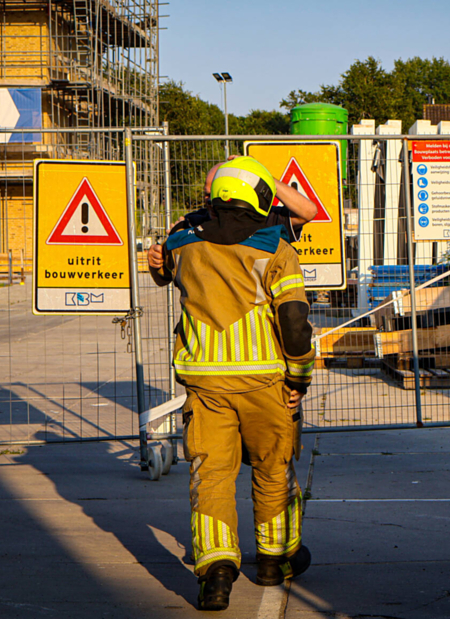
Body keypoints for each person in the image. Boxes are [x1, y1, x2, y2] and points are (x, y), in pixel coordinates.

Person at [149, 156, 315, 611]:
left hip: (205, 383)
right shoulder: (275, 246)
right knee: (272, 468)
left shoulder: (182, 239)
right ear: (258, 194)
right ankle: (274, 562)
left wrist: (155, 263)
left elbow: (164, 272)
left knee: (213, 475)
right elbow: (295, 323)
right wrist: (299, 375)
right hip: (265, 382)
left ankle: (217, 571)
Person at [146, 157, 316, 273]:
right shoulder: (192, 223)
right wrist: (157, 261)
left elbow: (308, 211)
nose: (211, 200)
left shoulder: (264, 219)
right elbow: (163, 275)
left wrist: (262, 177)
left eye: (218, 192)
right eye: (207, 194)